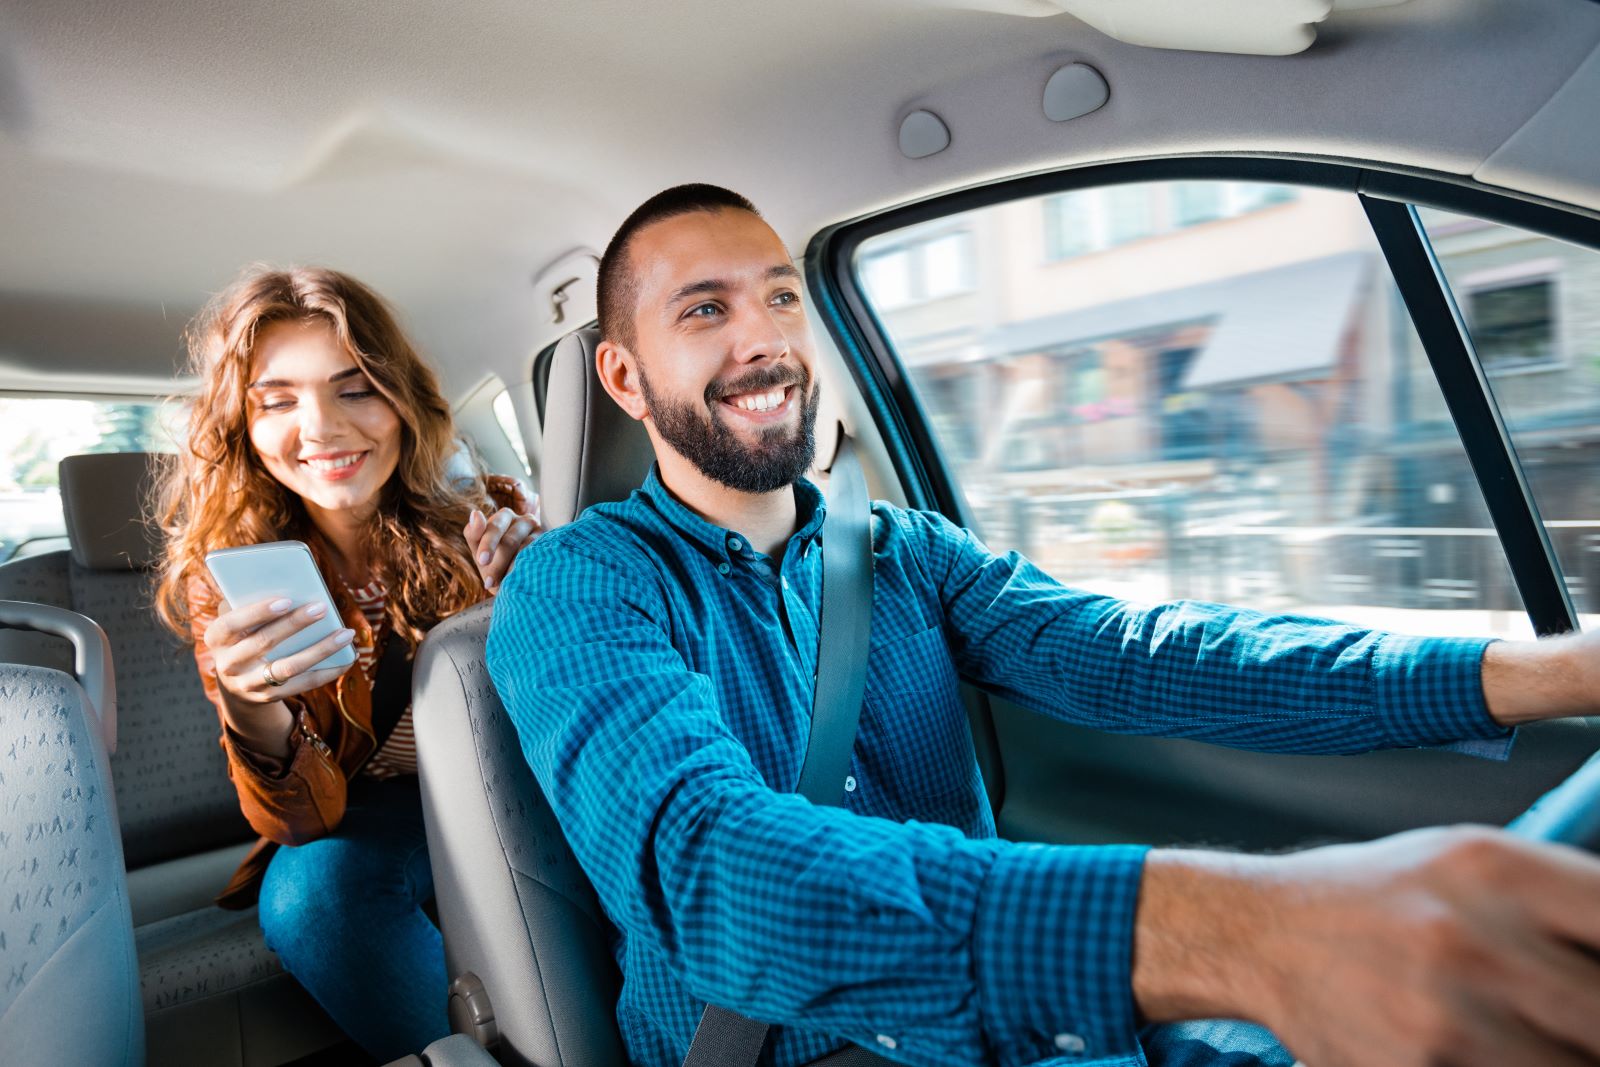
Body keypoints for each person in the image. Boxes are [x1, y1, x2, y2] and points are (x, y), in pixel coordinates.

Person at [485, 185, 1600, 1067]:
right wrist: (1253, 931)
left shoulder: (903, 550)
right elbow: (715, 872)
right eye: (706, 309)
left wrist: (1553, 672)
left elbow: (1147, 657)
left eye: (782, 296)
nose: (765, 339)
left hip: (1022, 1030)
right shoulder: (578, 589)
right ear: (624, 377)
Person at [153, 266, 540, 1061]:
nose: (321, 427)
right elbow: (302, 823)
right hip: (372, 813)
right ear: (243, 425)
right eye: (277, 399)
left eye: (355, 386)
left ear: (403, 399)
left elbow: (565, 714)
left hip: (506, 779)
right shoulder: (226, 580)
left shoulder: (489, 515)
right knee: (309, 897)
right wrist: (251, 703)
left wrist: (536, 600)